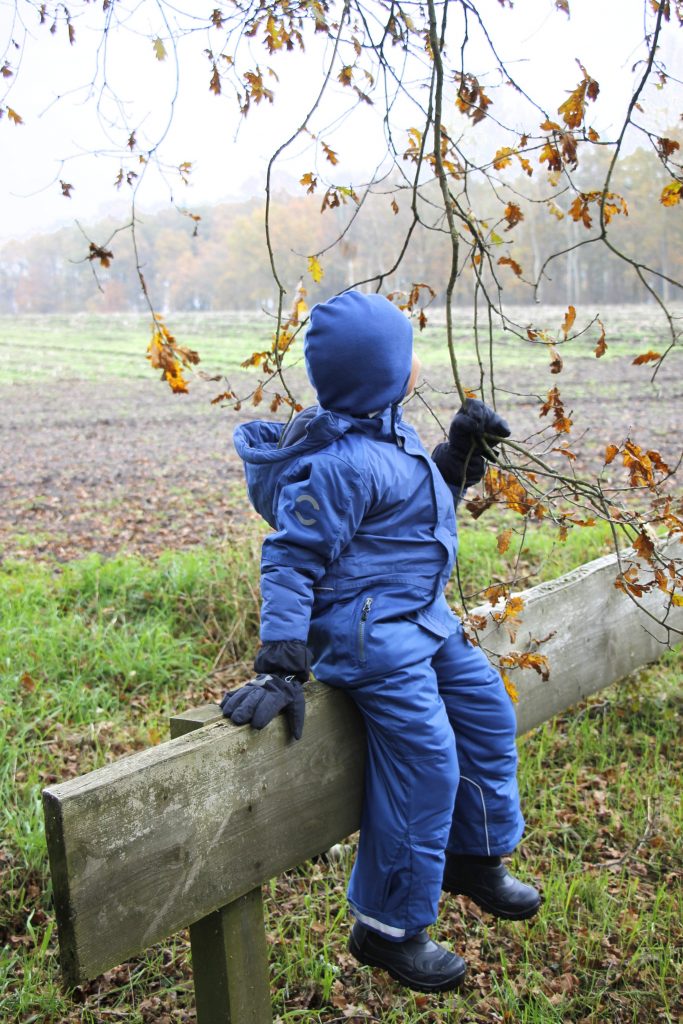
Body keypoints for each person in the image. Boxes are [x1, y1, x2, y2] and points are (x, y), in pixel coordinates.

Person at [222, 290, 540, 994]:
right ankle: (387, 926)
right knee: (426, 760)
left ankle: (473, 855)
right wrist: (281, 663)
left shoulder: (385, 434)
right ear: (381, 378)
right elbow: (289, 560)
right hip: (371, 639)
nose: (418, 362)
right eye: (406, 354)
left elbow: (408, 513)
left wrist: (458, 454)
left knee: (487, 710)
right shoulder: (336, 465)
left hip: (418, 618)